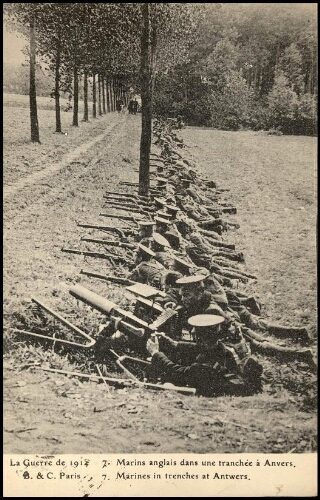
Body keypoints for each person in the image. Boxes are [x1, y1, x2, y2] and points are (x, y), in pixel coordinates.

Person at [146, 314, 263, 396]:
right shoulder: (223, 350)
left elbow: (177, 372)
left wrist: (155, 353)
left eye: (195, 330)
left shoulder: (201, 368)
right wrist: (174, 343)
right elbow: (198, 348)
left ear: (199, 337)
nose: (192, 331)